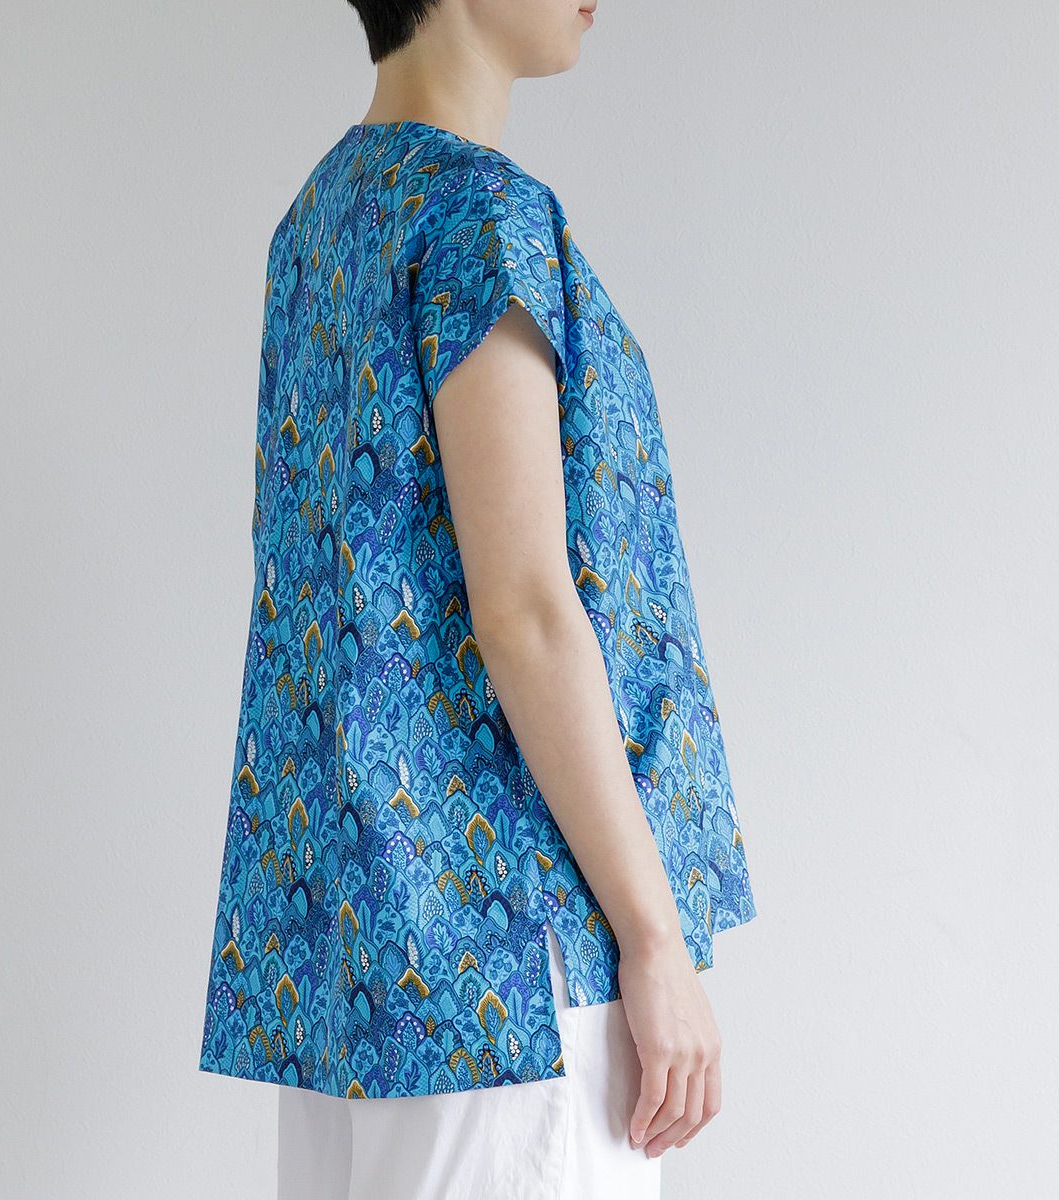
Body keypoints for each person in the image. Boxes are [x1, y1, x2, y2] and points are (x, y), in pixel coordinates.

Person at [197, 1, 759, 1195]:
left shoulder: (318, 223)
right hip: (509, 964)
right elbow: (527, 610)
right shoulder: (476, 215)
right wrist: (655, 939)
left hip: (358, 969)